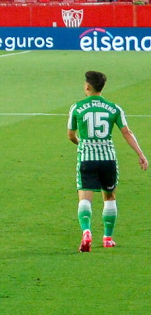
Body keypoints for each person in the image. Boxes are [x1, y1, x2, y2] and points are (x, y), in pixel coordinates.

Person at [70, 69, 149, 251]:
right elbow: (126, 132)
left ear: (87, 86)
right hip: (108, 159)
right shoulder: (114, 108)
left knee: (85, 197)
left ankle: (87, 232)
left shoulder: (77, 107)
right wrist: (140, 154)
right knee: (110, 196)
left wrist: (80, 143)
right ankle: (107, 238)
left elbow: (70, 135)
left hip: (86, 158)